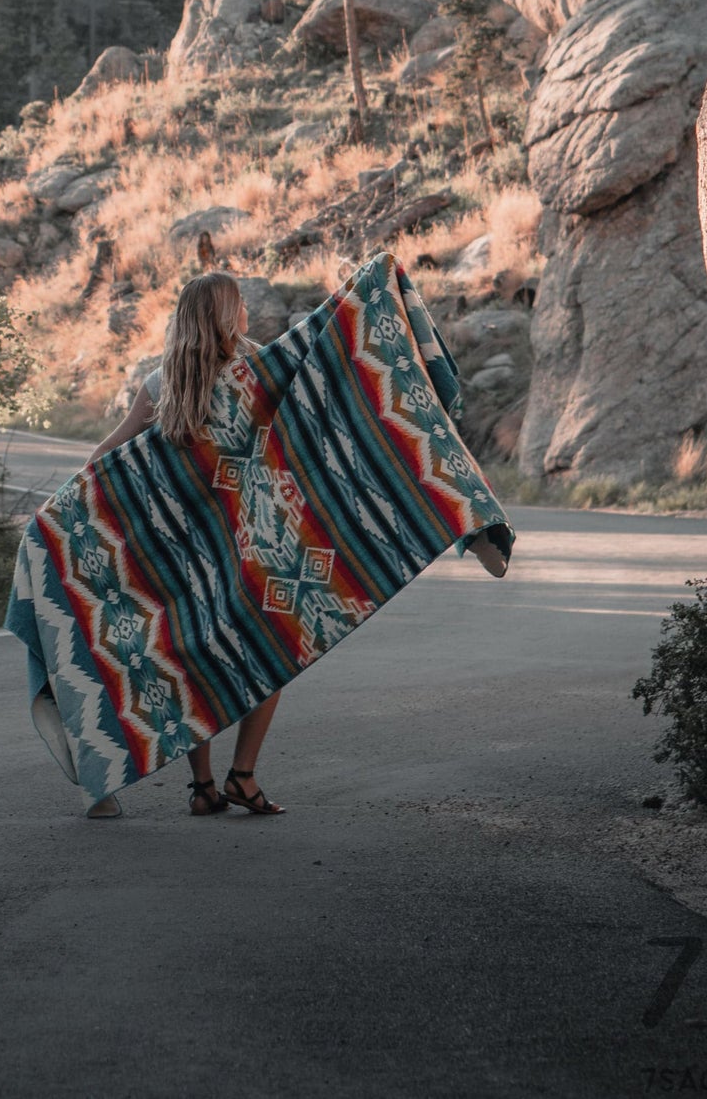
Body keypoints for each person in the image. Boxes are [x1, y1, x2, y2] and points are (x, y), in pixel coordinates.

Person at [84, 268, 510, 821]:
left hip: (193, 555)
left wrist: (63, 515)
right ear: (221, 317)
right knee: (271, 654)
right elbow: (323, 383)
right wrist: (369, 289)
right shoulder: (257, 364)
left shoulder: (162, 386)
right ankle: (243, 776)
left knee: (196, 663)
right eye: (237, 306)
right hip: (265, 543)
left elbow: (108, 457)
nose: (244, 315)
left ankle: (204, 787)